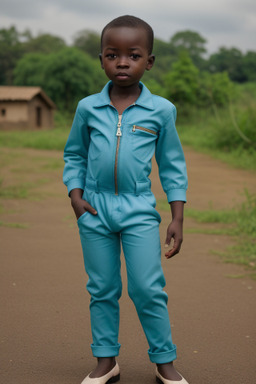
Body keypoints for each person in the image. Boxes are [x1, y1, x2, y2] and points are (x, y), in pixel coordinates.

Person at [63, 15, 189, 384]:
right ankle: (106, 361)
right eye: (112, 54)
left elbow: (172, 165)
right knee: (102, 288)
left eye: (133, 55)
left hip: (138, 211)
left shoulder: (161, 110)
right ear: (101, 59)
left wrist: (176, 216)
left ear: (148, 61)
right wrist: (75, 194)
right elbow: (74, 155)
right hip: (94, 209)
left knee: (147, 288)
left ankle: (163, 360)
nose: (122, 62)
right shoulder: (87, 108)